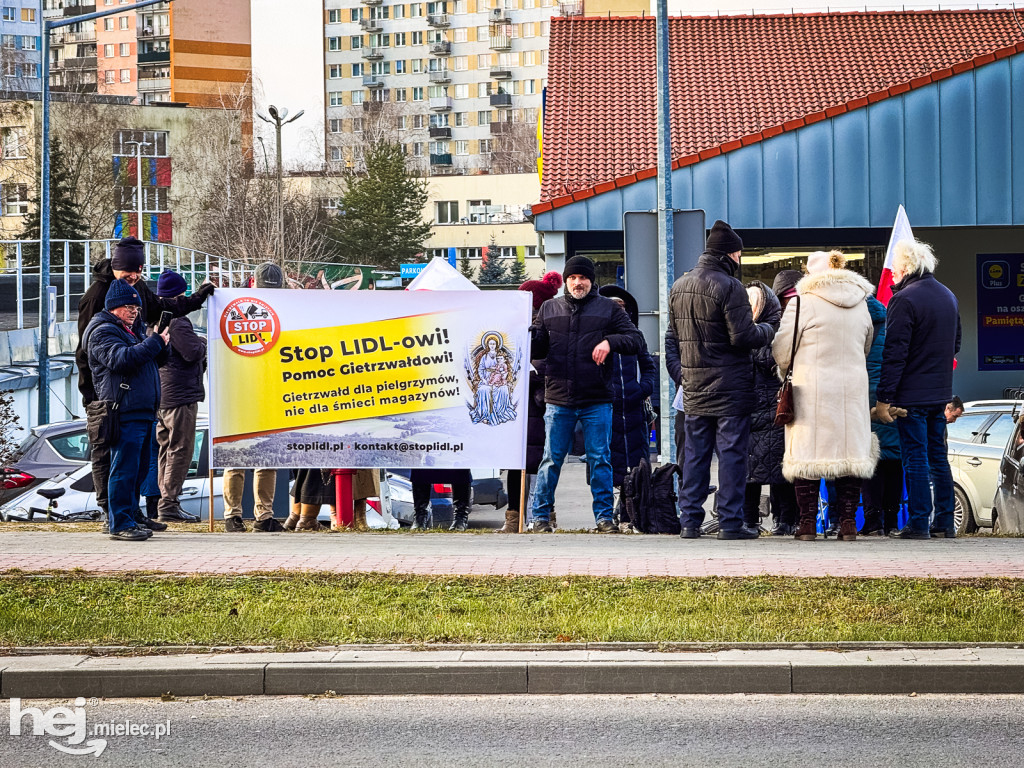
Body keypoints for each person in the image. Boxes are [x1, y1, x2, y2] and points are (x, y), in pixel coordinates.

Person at [76, 236, 213, 532]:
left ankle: (130, 513)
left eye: (139, 271)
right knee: (111, 459)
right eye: (129, 272)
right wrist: (93, 395)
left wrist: (197, 299)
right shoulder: (98, 300)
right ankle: (112, 515)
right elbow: (93, 353)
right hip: (107, 397)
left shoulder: (137, 295)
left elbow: (162, 308)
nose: (134, 277)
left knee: (137, 463)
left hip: (140, 401)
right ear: (115, 268)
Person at [670, 220, 776, 540]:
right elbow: (743, 336)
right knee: (731, 456)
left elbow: (674, 339)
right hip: (730, 389)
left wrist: (685, 375)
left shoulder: (679, 285)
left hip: (694, 389)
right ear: (731, 254)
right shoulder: (729, 286)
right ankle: (730, 523)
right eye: (740, 254)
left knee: (694, 455)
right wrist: (770, 328)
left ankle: (689, 521)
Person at [529, 256, 645, 533]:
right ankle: (541, 518)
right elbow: (537, 348)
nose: (577, 283)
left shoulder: (608, 309)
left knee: (600, 459)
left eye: (582, 278)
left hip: (597, 399)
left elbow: (636, 340)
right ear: (566, 282)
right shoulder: (548, 308)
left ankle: (604, 518)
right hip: (558, 398)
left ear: (591, 281)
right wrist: (528, 336)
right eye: (572, 278)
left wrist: (609, 341)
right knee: (550, 460)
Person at [772, 250, 876, 541]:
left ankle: (806, 525)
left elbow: (782, 350)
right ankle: (847, 524)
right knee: (849, 456)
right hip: (853, 390)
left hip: (811, 390)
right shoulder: (861, 304)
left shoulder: (802, 303)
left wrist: (787, 371)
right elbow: (865, 345)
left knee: (807, 456)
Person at [875, 238, 962, 539]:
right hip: (940, 392)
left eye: (895, 268)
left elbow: (894, 352)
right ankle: (945, 523)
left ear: (907, 266)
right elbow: (957, 344)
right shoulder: (948, 296)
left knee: (914, 456)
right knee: (938, 456)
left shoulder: (904, 300)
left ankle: (919, 523)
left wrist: (885, 396)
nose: (893, 274)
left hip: (910, 395)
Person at [83, 279, 169, 541]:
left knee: (139, 470)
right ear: (113, 307)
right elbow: (121, 359)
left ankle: (131, 514)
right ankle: (120, 522)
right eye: (128, 306)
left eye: (137, 306)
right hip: (122, 410)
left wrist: (163, 343)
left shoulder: (135, 330)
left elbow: (156, 360)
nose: (134, 311)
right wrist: (154, 343)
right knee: (124, 469)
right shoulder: (102, 331)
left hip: (142, 410)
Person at [223, 262, 286, 533]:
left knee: (266, 457)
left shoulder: (234, 307)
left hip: (264, 389)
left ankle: (261, 516)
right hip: (242, 389)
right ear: (253, 285)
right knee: (237, 457)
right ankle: (235, 515)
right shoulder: (234, 307)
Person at [501, 272, 562, 533]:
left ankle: (544, 515)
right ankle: (515, 518)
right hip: (518, 414)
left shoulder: (546, 331)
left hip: (540, 411)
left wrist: (537, 385)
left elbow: (553, 366)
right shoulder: (516, 331)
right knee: (519, 467)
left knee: (542, 466)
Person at [599, 286, 657, 527]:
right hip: (608, 408)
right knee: (607, 462)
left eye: (622, 307)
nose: (619, 311)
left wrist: (642, 388)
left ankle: (630, 515)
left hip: (634, 410)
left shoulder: (636, 338)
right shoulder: (598, 339)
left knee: (636, 463)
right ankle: (606, 515)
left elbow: (649, 367)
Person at [152, 270, 204, 524]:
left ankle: (165, 500)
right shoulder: (178, 321)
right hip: (180, 395)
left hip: (162, 393)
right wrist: (204, 343)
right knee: (181, 449)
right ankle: (169, 504)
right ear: (180, 294)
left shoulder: (157, 317)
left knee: (166, 448)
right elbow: (192, 352)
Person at [742, 280, 793, 535]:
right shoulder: (740, 328)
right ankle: (749, 519)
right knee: (748, 469)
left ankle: (785, 519)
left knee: (778, 468)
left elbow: (774, 360)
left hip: (771, 405)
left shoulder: (776, 329)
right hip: (747, 405)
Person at [861, 292, 903, 536]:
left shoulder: (858, 326)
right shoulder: (892, 324)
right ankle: (892, 520)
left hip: (865, 400)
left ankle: (872, 520)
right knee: (894, 458)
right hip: (892, 398)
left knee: (872, 458)